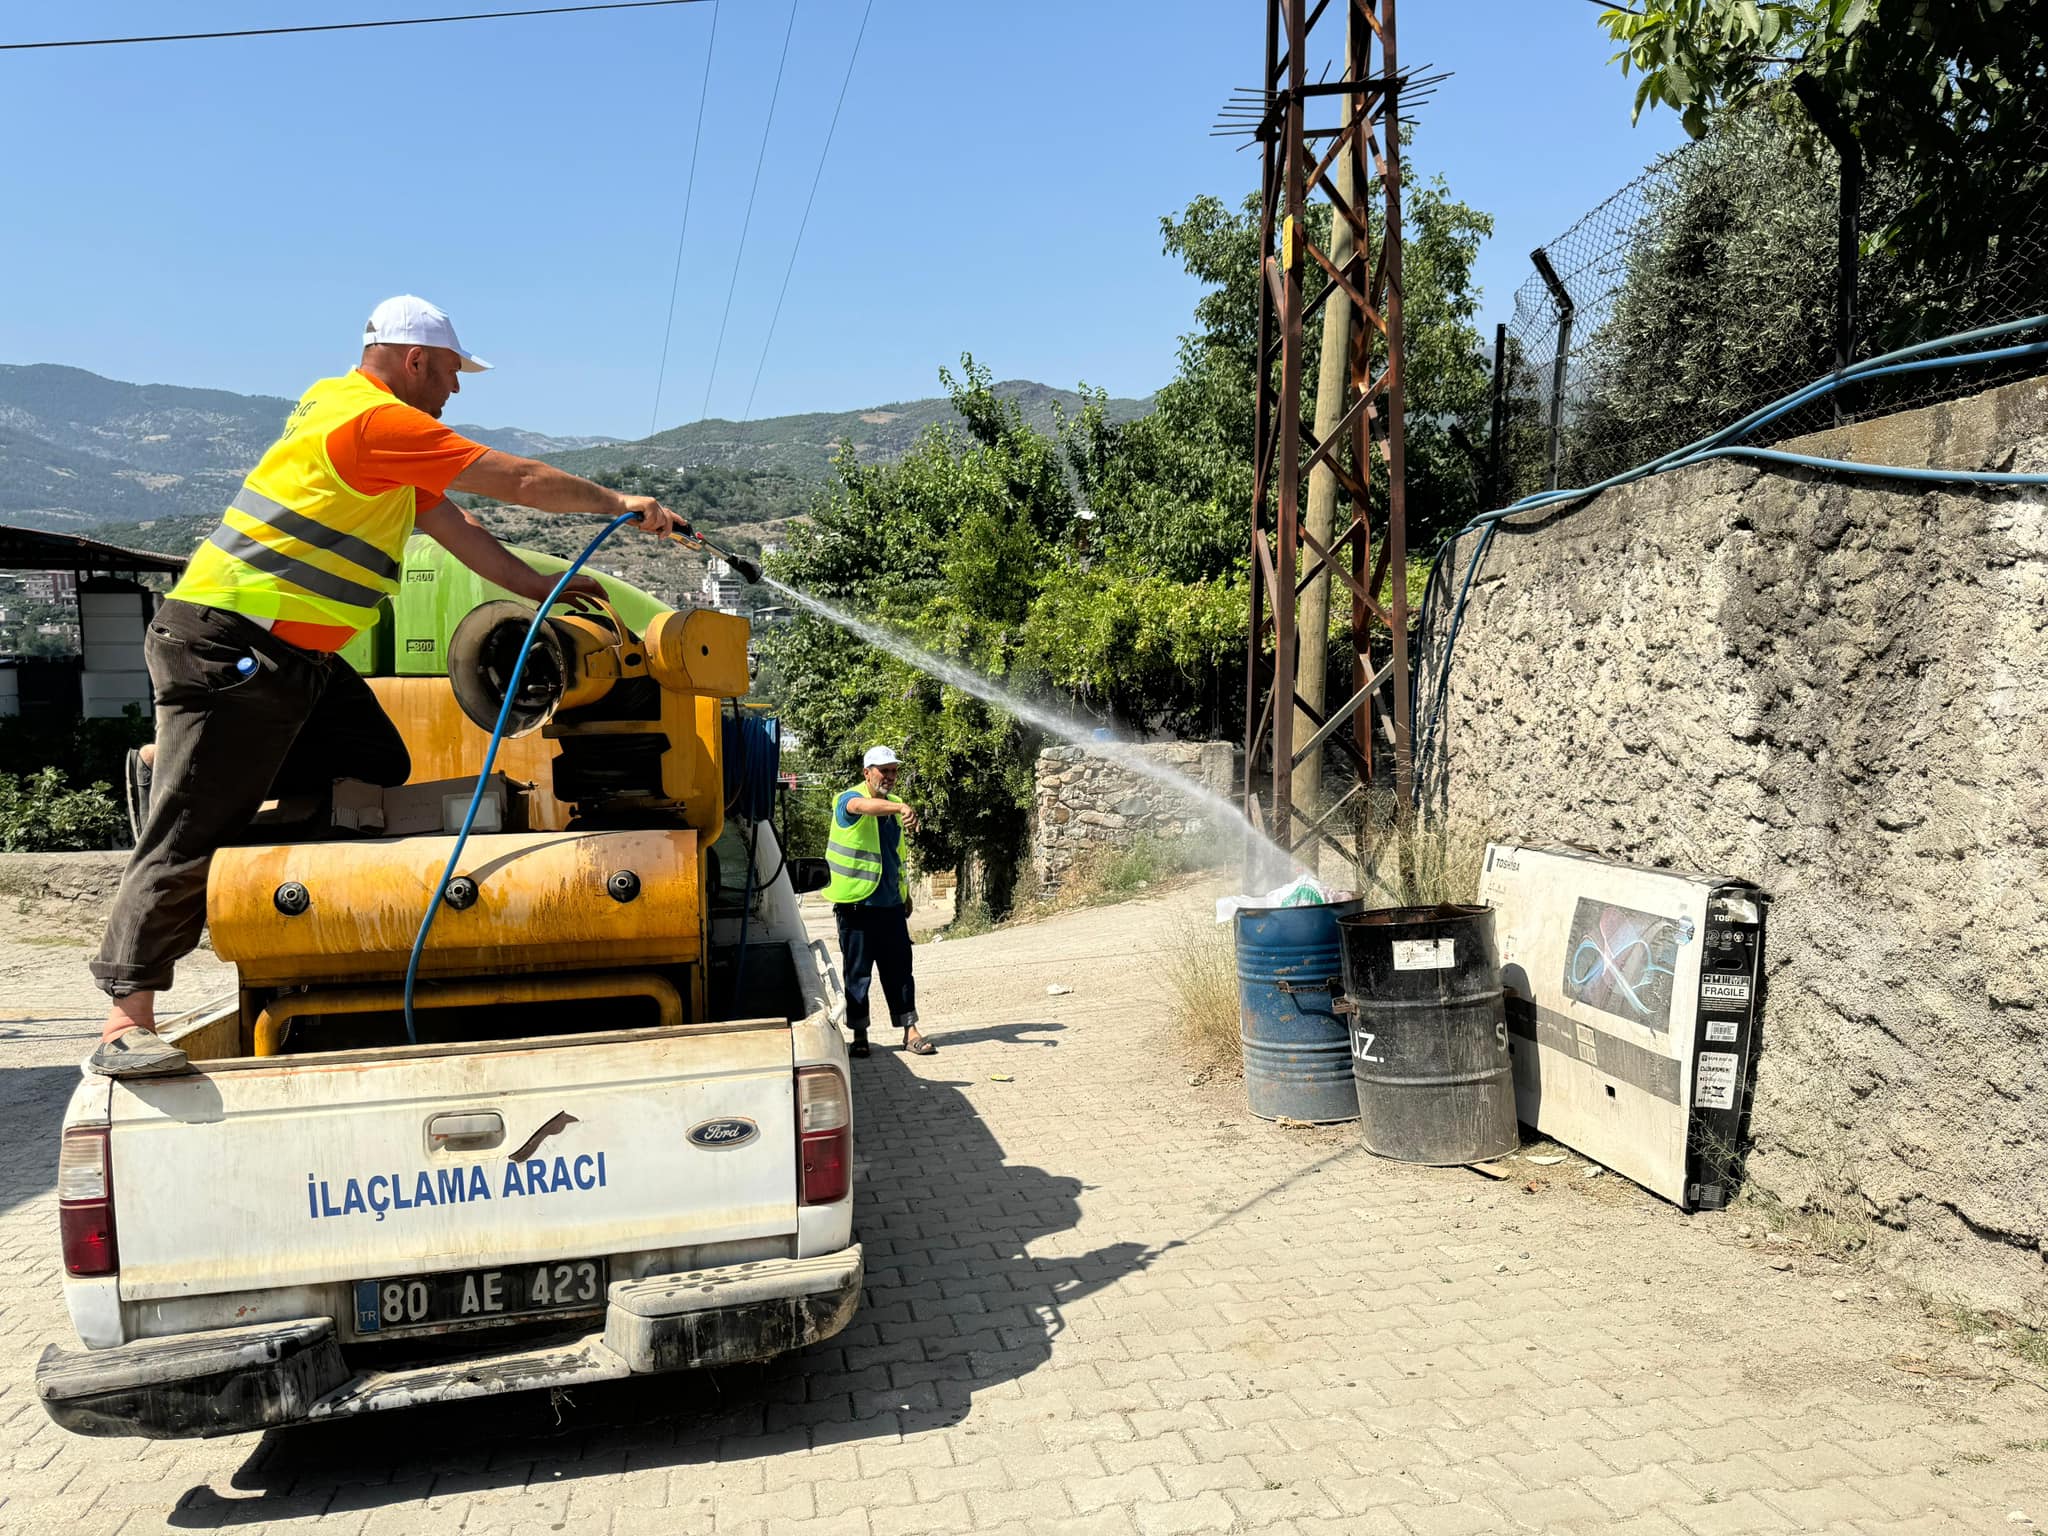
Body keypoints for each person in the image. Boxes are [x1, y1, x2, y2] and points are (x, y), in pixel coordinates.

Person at [88, 295, 689, 1077]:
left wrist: (547, 588)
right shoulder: (374, 422)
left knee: (375, 760)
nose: (455, 391)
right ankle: (123, 1019)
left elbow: (473, 540)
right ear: (413, 361)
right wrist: (621, 503)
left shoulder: (376, 444)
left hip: (294, 658)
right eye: (448, 373)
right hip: (231, 643)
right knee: (190, 828)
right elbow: (520, 478)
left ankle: (226, 812)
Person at [824, 746, 933, 1058]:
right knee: (857, 973)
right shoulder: (847, 799)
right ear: (867, 772)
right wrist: (899, 810)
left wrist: (906, 894)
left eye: (894, 770)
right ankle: (859, 1034)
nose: (890, 776)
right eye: (883, 770)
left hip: (889, 905)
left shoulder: (896, 804)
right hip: (855, 906)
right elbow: (862, 806)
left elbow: (895, 856)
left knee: (899, 970)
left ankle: (910, 1030)